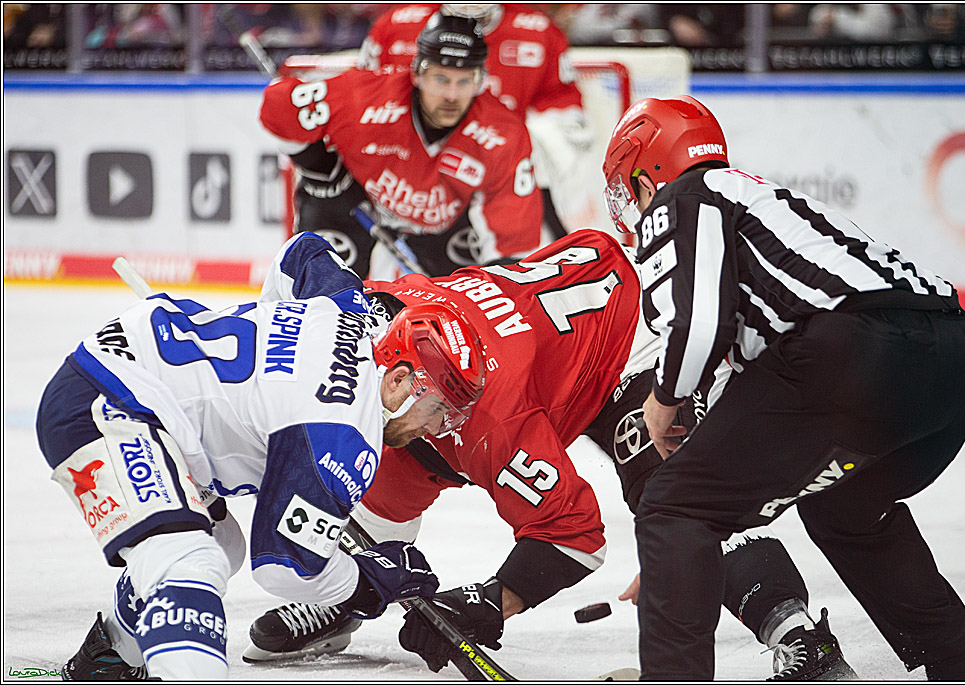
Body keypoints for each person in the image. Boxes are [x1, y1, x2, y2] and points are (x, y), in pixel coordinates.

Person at [242, 229, 856, 680]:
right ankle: (350, 599)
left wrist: (492, 600)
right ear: (393, 369)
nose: (449, 423)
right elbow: (300, 254)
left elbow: (575, 533)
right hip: (538, 336)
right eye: (441, 412)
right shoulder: (350, 320)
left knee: (679, 504)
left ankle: (799, 637)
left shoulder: (488, 421)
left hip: (627, 343)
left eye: (453, 414)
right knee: (373, 480)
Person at [602, 96, 965, 680]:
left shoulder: (685, 196)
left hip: (856, 356)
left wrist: (663, 410)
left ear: (648, 171)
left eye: (626, 187)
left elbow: (698, 324)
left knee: (670, 505)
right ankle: (962, 670)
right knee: (848, 507)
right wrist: (680, 563)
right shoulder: (772, 202)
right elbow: (762, 409)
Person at [38, 231, 489, 680]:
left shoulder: (351, 308)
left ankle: (110, 659)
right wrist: (367, 583)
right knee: (192, 559)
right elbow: (284, 568)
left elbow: (303, 250)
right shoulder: (343, 436)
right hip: (107, 405)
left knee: (223, 544)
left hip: (141, 378)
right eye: (439, 412)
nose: (435, 431)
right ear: (400, 381)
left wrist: (272, 337)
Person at [260, 13, 544, 279]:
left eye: (464, 81)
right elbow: (278, 106)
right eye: (441, 79)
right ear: (417, 74)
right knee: (323, 301)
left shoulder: (503, 134)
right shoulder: (367, 97)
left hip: (443, 228)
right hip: (350, 205)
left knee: (455, 313)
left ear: (480, 80)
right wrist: (321, 167)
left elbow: (514, 240)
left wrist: (497, 287)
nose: (452, 95)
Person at [357, 3, 593, 239]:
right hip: (410, 191)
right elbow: (362, 106)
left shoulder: (538, 31)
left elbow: (566, 118)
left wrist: (515, 150)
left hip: (504, 189)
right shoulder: (396, 26)